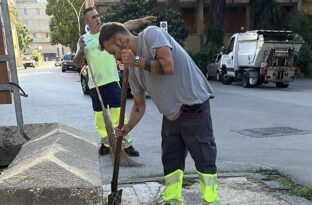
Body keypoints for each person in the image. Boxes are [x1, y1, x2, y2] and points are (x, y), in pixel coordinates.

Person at [99, 23, 219, 204]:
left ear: (120, 40)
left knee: (204, 157)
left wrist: (137, 61)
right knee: (171, 159)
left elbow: (167, 65)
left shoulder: (151, 34)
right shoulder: (132, 71)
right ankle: (172, 199)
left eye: (113, 52)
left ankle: (210, 198)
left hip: (193, 106)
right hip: (171, 115)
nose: (115, 57)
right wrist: (127, 127)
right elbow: (139, 106)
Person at [74, 7, 155, 156]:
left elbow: (127, 25)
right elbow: (77, 63)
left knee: (119, 114)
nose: (97, 19)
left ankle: (124, 142)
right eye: (93, 17)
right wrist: (80, 50)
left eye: (98, 16)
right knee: (100, 118)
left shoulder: (108, 33)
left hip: (112, 82)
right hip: (95, 86)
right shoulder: (83, 40)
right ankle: (106, 143)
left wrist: (142, 21)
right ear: (87, 22)